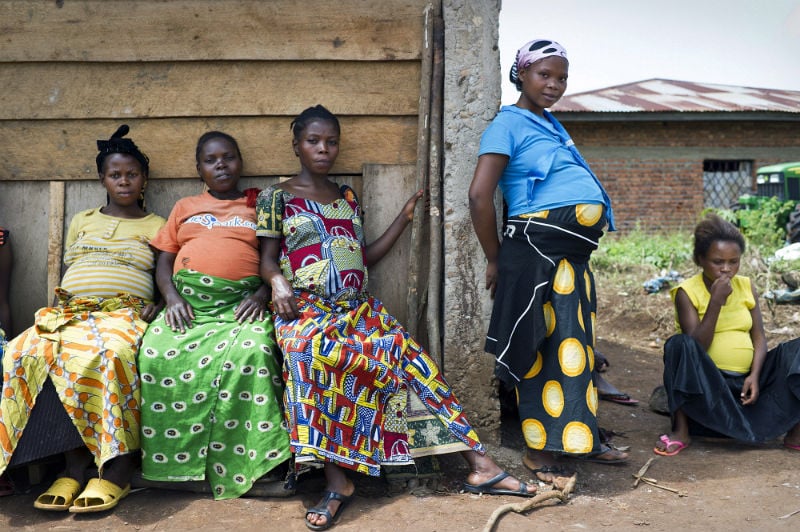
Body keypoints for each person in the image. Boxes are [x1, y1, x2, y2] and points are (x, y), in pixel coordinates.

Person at [257, 104, 536, 531]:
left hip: (357, 309)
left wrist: (403, 221)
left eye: (331, 142)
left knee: (410, 357)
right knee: (305, 355)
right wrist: (278, 283)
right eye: (313, 141)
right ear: (296, 145)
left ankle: (481, 465)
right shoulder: (275, 197)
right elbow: (266, 259)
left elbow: (363, 256)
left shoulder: (347, 197)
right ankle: (337, 483)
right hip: (306, 310)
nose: (323, 148)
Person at [468, 38, 628, 484]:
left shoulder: (551, 126)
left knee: (573, 349)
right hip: (537, 251)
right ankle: (540, 453)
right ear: (521, 74)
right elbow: (479, 196)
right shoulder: (507, 124)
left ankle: (580, 439)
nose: (554, 84)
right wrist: (496, 257)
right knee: (540, 349)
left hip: (570, 259)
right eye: (545, 74)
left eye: (562, 78)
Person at [0, 125, 166, 512]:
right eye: (115, 174)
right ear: (102, 179)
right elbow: (71, 272)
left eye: (132, 174)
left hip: (122, 314)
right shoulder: (82, 219)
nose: (123, 181)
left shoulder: (156, 225)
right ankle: (71, 466)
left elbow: (164, 277)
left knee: (109, 355)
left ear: (144, 179)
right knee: (26, 353)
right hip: (70, 312)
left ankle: (116, 468)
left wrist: (157, 305)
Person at [137, 131, 289, 500]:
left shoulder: (258, 206)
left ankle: (257, 465)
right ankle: (172, 468)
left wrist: (261, 294)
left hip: (240, 306)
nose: (221, 165)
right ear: (199, 169)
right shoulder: (185, 206)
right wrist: (171, 298)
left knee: (254, 353)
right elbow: (164, 262)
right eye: (211, 160)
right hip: (189, 306)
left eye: (228, 157)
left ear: (240, 162)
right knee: (154, 354)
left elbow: (276, 259)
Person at [654, 213, 800, 456]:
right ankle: (681, 431)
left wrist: (754, 375)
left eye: (734, 262)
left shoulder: (746, 285)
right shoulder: (686, 292)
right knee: (678, 344)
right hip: (710, 386)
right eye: (717, 262)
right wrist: (715, 302)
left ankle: (795, 432)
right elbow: (695, 347)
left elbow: (759, 338)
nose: (726, 269)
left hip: (747, 386)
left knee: (796, 351)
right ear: (700, 259)